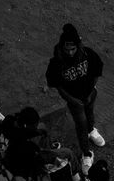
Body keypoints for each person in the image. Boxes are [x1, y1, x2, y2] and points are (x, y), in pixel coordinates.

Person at [45, 23, 105, 158]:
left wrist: (90, 91)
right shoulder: (56, 63)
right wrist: (73, 100)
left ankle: (92, 131)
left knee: (90, 114)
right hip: (75, 100)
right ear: (62, 47)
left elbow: (97, 71)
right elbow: (57, 85)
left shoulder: (88, 54)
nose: (70, 52)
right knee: (81, 124)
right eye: (67, 49)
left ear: (78, 46)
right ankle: (86, 154)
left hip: (90, 94)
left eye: (73, 49)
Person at [0, 106, 78, 181]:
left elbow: (20, 134)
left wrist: (36, 132)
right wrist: (51, 157)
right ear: (26, 126)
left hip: (13, 154)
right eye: (34, 125)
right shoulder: (26, 148)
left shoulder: (9, 121)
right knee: (68, 153)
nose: (36, 126)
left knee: (42, 131)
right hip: (31, 164)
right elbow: (37, 158)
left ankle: (49, 147)